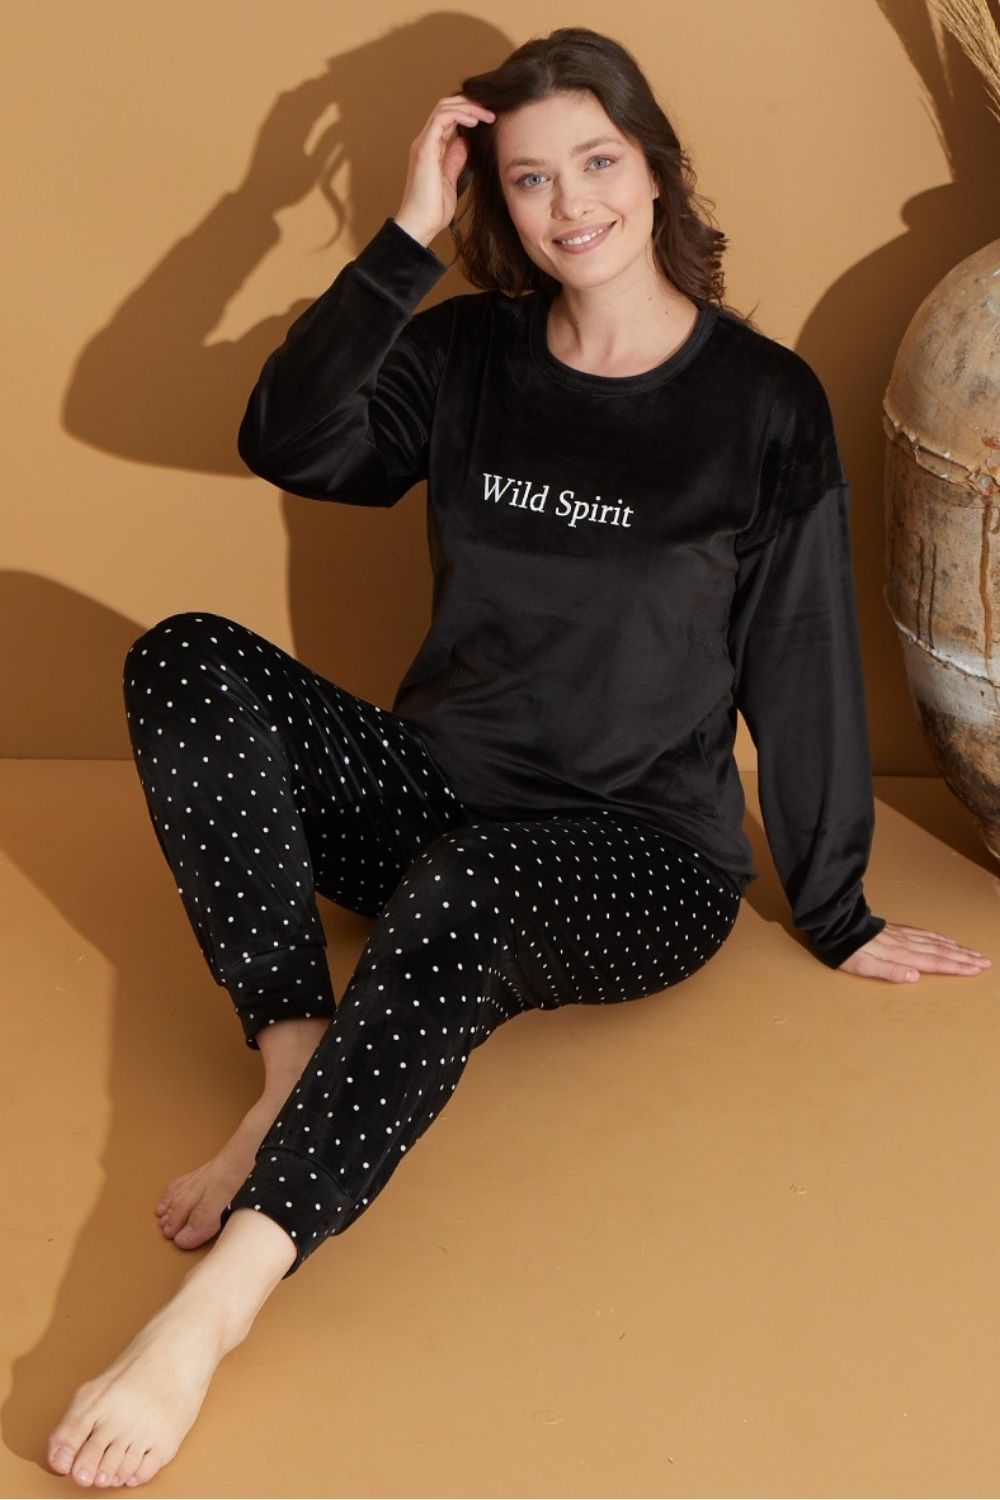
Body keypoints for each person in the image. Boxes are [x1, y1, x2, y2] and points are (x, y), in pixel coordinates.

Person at [46, 26, 991, 1491]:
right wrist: (404, 236)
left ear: (657, 168)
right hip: (438, 801)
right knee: (184, 657)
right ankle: (293, 1058)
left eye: (597, 162)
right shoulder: (463, 353)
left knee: (473, 886)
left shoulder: (762, 403)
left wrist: (841, 907)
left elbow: (801, 658)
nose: (571, 204)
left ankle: (219, 1302)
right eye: (530, 177)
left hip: (641, 859)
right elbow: (289, 438)